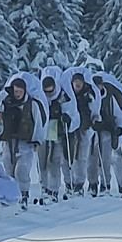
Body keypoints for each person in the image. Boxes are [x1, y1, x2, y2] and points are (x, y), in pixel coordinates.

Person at [0, 74, 46, 209]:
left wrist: (38, 140)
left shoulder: (32, 104)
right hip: (9, 143)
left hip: (26, 143)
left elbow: (39, 122)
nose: (17, 94)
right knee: (9, 172)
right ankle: (11, 198)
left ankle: (24, 195)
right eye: (15, 91)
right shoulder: (5, 103)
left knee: (21, 171)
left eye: (20, 91)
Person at [88, 72, 122, 197]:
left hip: (106, 133)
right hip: (92, 133)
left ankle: (106, 185)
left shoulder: (109, 99)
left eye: (99, 86)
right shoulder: (89, 97)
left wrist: (119, 128)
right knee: (91, 161)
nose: (98, 88)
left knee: (105, 160)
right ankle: (92, 185)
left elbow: (118, 115)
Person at [39, 72, 77, 203]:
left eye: (50, 91)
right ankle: (49, 188)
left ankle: (67, 184)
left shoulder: (63, 95)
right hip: (46, 132)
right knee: (46, 162)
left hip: (60, 132)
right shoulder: (41, 97)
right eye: (46, 92)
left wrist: (67, 118)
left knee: (59, 160)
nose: (49, 94)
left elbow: (71, 111)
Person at [65, 69, 101, 196]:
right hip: (71, 130)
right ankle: (70, 183)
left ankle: (79, 184)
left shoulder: (88, 95)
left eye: (79, 82)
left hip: (85, 129)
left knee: (82, 157)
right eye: (75, 82)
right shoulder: (68, 95)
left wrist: (95, 121)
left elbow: (94, 110)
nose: (77, 85)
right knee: (69, 156)